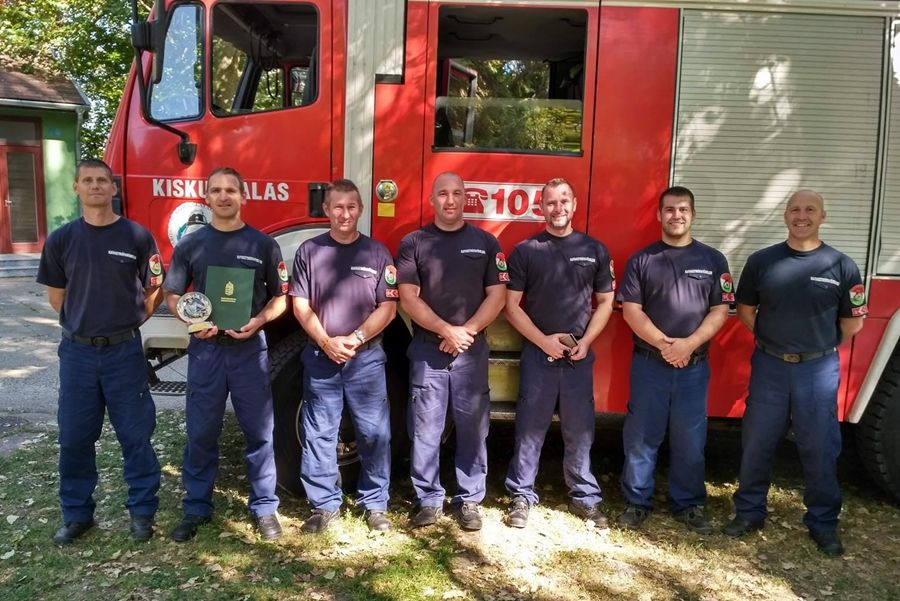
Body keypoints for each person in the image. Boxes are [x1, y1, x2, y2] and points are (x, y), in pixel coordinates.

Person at [724, 189, 866, 556]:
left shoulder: (842, 265)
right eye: (794, 209)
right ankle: (749, 513)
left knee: (819, 447)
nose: (801, 216)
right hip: (770, 366)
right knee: (756, 442)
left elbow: (852, 323)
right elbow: (745, 309)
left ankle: (823, 523)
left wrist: (818, 344)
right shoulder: (762, 262)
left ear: (822, 216)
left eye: (810, 210)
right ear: (785, 215)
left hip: (818, 369)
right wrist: (773, 340)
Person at [37, 158, 163, 545]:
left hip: (124, 353)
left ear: (114, 188)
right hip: (77, 356)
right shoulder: (61, 240)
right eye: (87, 180)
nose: (95, 186)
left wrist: (130, 322)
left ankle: (142, 512)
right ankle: (77, 515)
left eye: (102, 180)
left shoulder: (137, 237)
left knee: (136, 436)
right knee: (75, 437)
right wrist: (85, 325)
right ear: (76, 188)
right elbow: (57, 297)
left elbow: (153, 288)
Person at [164, 167, 289, 542]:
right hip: (206, 351)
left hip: (249, 351)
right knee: (202, 432)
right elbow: (172, 294)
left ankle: (265, 507)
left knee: (260, 433)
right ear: (207, 198)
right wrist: (190, 319)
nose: (223, 196)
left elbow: (281, 298)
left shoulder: (263, 245)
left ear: (243, 196)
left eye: (230, 190)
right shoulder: (191, 245)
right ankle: (197, 507)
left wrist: (259, 321)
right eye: (216, 190)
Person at [616, 186, 731, 533]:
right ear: (659, 215)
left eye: (683, 209)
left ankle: (689, 504)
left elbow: (720, 310)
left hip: (693, 367)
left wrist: (688, 345)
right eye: (669, 210)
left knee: (690, 439)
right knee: (641, 436)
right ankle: (637, 502)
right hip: (650, 363)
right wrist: (667, 344)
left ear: (693, 214)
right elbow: (631, 312)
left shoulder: (713, 260)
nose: (676, 215)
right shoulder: (642, 260)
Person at [395, 172, 506, 531]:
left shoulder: (486, 243)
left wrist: (466, 333)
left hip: (471, 352)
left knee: (474, 427)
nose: (450, 200)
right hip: (429, 349)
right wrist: (446, 331)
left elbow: (498, 295)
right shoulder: (414, 243)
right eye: (443, 194)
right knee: (425, 429)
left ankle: (469, 500)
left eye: (457, 193)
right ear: (432, 199)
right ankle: (428, 499)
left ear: (465, 199)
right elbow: (409, 298)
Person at [502, 178, 615, 530]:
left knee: (579, 429)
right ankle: (521, 496)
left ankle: (584, 496)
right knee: (529, 428)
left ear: (575, 204)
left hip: (578, 355)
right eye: (550, 202)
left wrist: (586, 342)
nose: (558, 208)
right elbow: (511, 307)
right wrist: (542, 341)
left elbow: (606, 302)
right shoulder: (526, 251)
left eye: (564, 200)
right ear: (541, 207)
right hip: (540, 356)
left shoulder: (595, 249)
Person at [291, 179, 398, 533]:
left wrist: (355, 337)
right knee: (320, 432)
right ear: (327, 210)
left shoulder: (378, 253)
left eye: (351, 207)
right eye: (338, 207)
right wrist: (326, 342)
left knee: (373, 433)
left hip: (365, 359)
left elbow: (389, 307)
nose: (345, 214)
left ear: (361, 210)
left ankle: (375, 504)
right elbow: (300, 305)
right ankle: (324, 506)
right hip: (322, 358)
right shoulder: (309, 251)